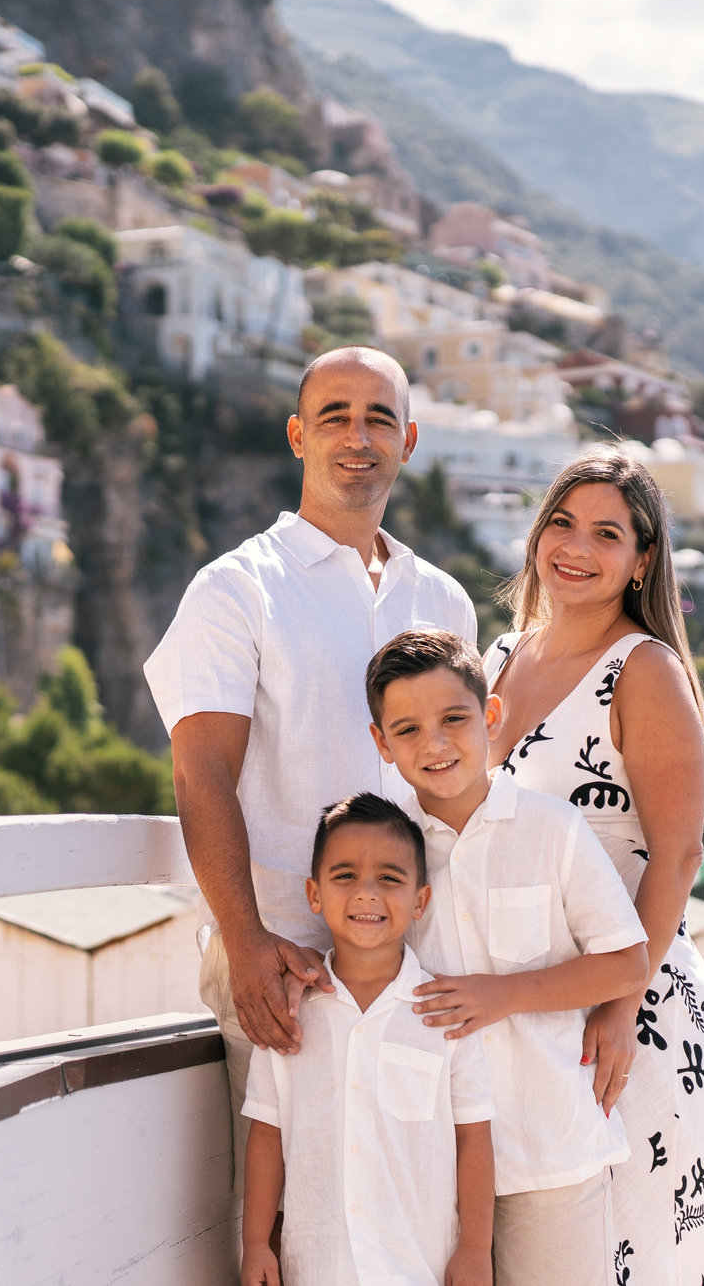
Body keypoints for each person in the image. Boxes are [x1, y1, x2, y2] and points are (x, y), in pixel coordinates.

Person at [144, 347, 478, 1179]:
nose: (357, 437)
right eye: (335, 417)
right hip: (284, 961)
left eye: (378, 419)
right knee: (290, 1209)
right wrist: (245, 938)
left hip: (421, 964)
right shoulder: (235, 589)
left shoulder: (442, 600)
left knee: (411, 1204)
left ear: (408, 441)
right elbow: (199, 775)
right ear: (298, 435)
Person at [481, 447, 704, 1283]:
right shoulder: (496, 657)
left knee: (632, 1255)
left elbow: (678, 852)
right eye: (561, 522)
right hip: (524, 1003)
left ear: (642, 559)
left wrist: (621, 1009)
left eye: (606, 533)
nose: (575, 546)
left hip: (631, 1010)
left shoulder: (645, 669)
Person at [366, 627, 650, 1285]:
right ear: (381, 744)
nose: (435, 743)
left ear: (491, 715)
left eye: (454, 718)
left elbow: (626, 964)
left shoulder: (552, 828)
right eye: (407, 730)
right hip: (430, 1161)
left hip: (549, 1152)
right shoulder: (384, 852)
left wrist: (504, 994)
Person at [239, 794, 496, 1286]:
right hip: (319, 1267)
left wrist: (474, 1249)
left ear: (420, 900)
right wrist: (255, 1243)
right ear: (314, 894)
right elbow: (266, 1134)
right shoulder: (288, 1016)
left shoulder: (446, 1014)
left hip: (418, 1267)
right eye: (345, 875)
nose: (366, 893)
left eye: (390, 878)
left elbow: (474, 1139)